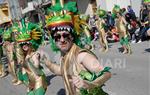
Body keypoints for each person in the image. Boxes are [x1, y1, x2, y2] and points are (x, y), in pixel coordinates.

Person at [44, 1, 111, 95]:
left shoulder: (81, 55)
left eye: (66, 35)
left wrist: (89, 84)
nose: (62, 40)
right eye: (57, 37)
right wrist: (48, 64)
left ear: (72, 37)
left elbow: (106, 73)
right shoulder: (64, 55)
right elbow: (62, 71)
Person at [16, 19, 47, 95]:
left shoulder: (35, 55)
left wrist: (27, 63)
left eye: (26, 44)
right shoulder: (25, 56)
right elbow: (24, 71)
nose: (24, 46)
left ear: (31, 44)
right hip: (31, 83)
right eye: (22, 45)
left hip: (38, 82)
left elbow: (35, 70)